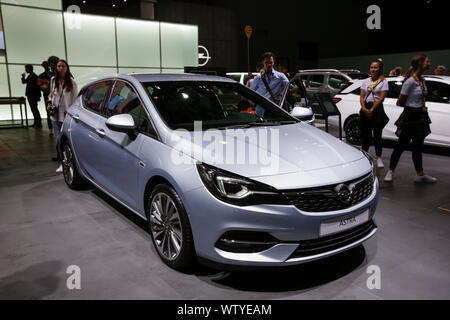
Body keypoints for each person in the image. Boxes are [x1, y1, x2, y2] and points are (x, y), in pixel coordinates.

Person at [384, 54, 436, 183]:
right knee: (401, 145)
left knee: (418, 146)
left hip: (420, 115)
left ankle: (419, 174)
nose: (429, 63)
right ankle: (390, 171)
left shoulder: (422, 79)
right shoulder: (410, 82)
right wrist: (413, 107)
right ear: (420, 64)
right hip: (410, 116)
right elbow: (399, 102)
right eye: (427, 61)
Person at [47, 60, 78, 173]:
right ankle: (63, 163)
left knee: (68, 140)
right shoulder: (53, 80)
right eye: (59, 66)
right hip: (55, 116)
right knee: (59, 140)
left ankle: (73, 163)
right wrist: (49, 103)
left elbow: (75, 99)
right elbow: (51, 94)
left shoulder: (72, 82)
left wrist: (71, 111)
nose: (60, 68)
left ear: (66, 68)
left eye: (63, 66)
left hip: (67, 116)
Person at [359, 59, 389, 168]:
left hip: (377, 109)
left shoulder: (383, 81)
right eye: (371, 67)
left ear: (380, 69)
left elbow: (381, 98)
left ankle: (378, 157)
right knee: (365, 135)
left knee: (377, 135)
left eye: (375, 67)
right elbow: (362, 96)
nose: (373, 69)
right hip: (366, 108)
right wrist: (363, 108)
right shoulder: (365, 81)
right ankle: (364, 156)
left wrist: (372, 109)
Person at [250, 52, 289, 116]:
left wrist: (281, 96)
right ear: (263, 62)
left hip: (275, 109)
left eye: (270, 62)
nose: (269, 65)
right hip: (261, 110)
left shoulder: (280, 76)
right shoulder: (258, 78)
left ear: (273, 62)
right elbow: (251, 92)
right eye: (266, 62)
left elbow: (288, 87)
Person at [38, 61, 53, 135]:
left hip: (54, 94)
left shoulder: (53, 74)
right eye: (44, 65)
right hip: (47, 94)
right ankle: (50, 129)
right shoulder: (41, 75)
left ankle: (54, 127)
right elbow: (39, 85)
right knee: (48, 110)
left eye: (46, 65)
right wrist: (43, 86)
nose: (45, 66)